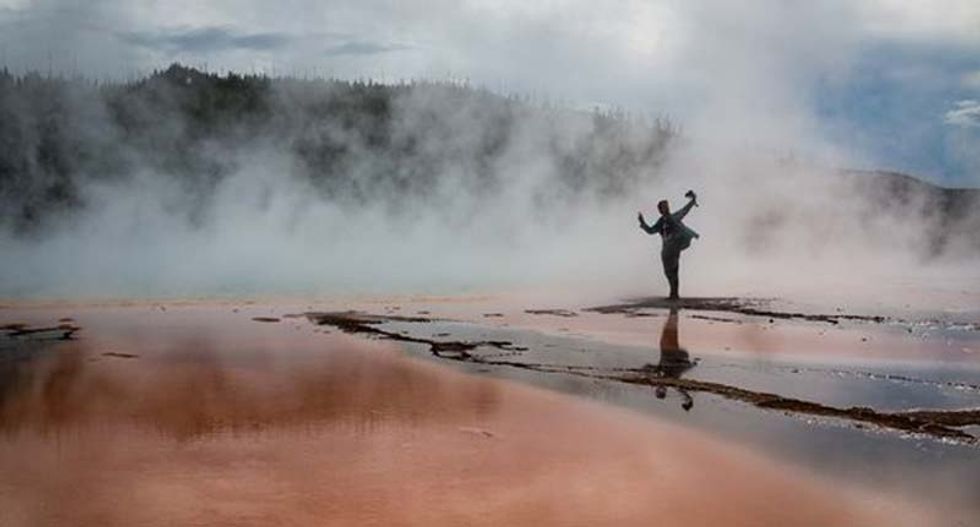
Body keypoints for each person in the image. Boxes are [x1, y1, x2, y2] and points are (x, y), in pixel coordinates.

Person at [637, 190, 699, 300]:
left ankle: (674, 294)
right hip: (666, 249)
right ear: (660, 210)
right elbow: (651, 231)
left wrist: (692, 201)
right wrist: (642, 223)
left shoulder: (673, 218)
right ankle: (673, 293)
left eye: (667, 206)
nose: (666, 208)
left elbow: (684, 211)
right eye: (663, 207)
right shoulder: (661, 221)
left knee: (674, 270)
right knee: (668, 272)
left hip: (674, 247)